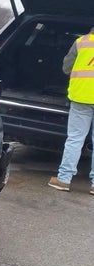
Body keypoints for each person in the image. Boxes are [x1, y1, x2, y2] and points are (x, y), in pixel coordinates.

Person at [48, 27, 94, 194]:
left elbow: (66, 68)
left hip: (81, 97)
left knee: (75, 139)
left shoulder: (82, 42)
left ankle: (64, 180)